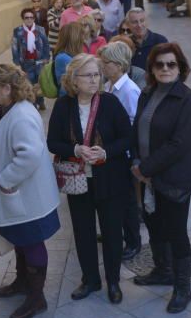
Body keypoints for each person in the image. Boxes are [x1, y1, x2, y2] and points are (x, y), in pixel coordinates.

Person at [0, 65, 60, 318]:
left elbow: (31, 154)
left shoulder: (21, 115)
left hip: (26, 197)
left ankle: (37, 299)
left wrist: (5, 180)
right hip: (19, 197)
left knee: (32, 242)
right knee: (22, 242)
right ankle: (22, 282)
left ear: (7, 88)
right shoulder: (7, 110)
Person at [48, 54, 132, 304]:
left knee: (112, 232)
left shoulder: (110, 103)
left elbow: (127, 138)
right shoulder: (63, 106)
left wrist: (106, 152)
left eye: (97, 74)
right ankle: (90, 279)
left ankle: (114, 281)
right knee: (83, 232)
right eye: (88, 75)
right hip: (78, 181)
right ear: (74, 79)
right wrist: (74, 150)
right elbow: (52, 142)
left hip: (110, 179)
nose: (95, 80)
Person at [131, 43, 191, 313]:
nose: (165, 69)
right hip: (146, 176)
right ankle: (163, 270)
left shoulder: (187, 99)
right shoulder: (147, 93)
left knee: (176, 232)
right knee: (154, 225)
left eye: (171, 64)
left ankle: (183, 288)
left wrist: (145, 168)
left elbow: (179, 143)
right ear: (151, 68)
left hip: (173, 179)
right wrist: (136, 161)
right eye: (159, 64)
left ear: (180, 67)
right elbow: (137, 128)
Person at [99, 41, 143, 261]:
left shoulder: (129, 90)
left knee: (127, 201)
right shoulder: (108, 86)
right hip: (110, 153)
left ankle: (134, 241)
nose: (102, 66)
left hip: (123, 155)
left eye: (105, 62)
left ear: (118, 65)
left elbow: (136, 125)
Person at [11, 8, 51, 110]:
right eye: (26, 17)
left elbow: (46, 44)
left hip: (39, 62)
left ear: (34, 18)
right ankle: (33, 106)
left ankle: (40, 101)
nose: (29, 19)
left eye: (31, 17)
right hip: (26, 63)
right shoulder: (18, 31)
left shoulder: (40, 29)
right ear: (23, 19)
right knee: (29, 85)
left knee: (39, 83)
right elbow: (14, 47)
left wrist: (47, 58)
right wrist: (17, 64)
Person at [126, 8, 168, 73]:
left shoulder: (160, 41)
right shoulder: (124, 43)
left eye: (142, 21)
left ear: (147, 21)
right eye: (134, 22)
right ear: (128, 25)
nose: (139, 25)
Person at [53, 22, 86, 97]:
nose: (84, 38)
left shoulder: (72, 55)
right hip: (69, 99)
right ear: (75, 38)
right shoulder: (64, 58)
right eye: (82, 35)